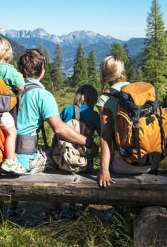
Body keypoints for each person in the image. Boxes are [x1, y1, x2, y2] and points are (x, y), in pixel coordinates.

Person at [8, 49, 99, 219]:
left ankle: (13, 209)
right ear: (42, 69)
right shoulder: (43, 95)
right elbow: (60, 129)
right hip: (24, 161)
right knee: (58, 160)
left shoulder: (11, 89)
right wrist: (88, 143)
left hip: (4, 156)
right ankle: (54, 212)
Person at [97, 55, 156, 188]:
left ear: (104, 74)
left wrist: (104, 170)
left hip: (124, 165)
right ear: (122, 73)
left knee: (113, 157)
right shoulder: (138, 92)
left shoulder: (105, 99)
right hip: (150, 161)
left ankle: (117, 208)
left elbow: (106, 136)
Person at [54, 84, 101, 217]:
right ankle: (81, 209)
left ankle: (55, 211)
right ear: (93, 99)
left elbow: (58, 130)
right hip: (84, 161)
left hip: (64, 157)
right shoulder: (94, 116)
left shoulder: (68, 110)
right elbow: (103, 135)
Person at [0, 37, 26, 174]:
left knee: (1, 136)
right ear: (7, 53)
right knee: (11, 134)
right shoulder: (9, 70)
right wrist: (20, 77)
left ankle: (3, 160)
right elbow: (20, 86)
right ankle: (10, 161)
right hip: (5, 111)